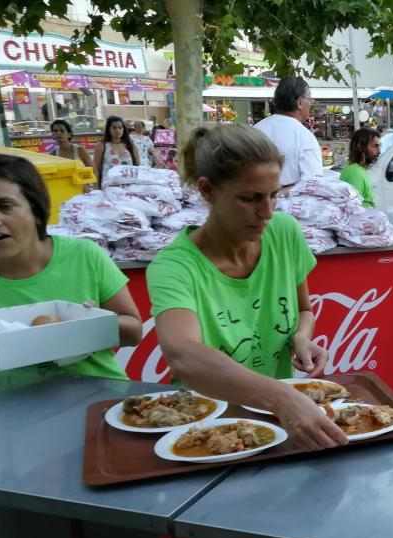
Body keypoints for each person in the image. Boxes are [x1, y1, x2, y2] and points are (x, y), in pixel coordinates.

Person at [147, 124, 348, 451]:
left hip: (277, 424)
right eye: (249, 198)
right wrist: (283, 398)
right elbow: (184, 355)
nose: (266, 212)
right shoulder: (174, 267)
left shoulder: (284, 232)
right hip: (203, 431)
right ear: (207, 190)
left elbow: (304, 309)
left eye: (274, 195)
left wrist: (301, 338)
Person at [0, 154, 142, 388]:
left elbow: (134, 333)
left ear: (35, 210)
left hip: (99, 399)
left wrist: (89, 322)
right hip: (11, 413)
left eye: (5, 206)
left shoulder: (83, 255)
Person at [254, 76, 323, 187]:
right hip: (289, 202)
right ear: (300, 102)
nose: (311, 104)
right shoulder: (305, 137)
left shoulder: (256, 130)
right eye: (310, 99)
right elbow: (313, 185)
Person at [339, 127, 381, 208]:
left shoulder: (359, 170)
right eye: (375, 146)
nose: (379, 151)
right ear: (360, 147)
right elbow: (352, 211)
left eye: (379, 146)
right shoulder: (354, 173)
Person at [93, 116, 139, 187]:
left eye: (120, 128)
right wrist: (96, 188)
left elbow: (137, 167)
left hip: (129, 189)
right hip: (109, 188)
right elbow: (96, 169)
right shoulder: (102, 146)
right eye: (114, 128)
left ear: (123, 129)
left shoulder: (130, 145)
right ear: (109, 129)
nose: (117, 130)